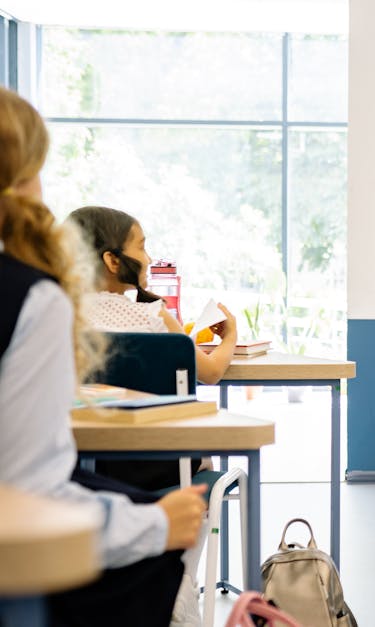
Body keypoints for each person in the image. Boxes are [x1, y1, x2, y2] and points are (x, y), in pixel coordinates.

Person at [0, 86, 207, 627]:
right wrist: (156, 525)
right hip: (34, 544)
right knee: (177, 514)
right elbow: (27, 493)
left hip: (100, 461)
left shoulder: (63, 304)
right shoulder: (34, 300)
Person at [66, 205, 238, 386]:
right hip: (153, 415)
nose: (149, 259)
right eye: (142, 248)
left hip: (81, 414)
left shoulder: (62, 317)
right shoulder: (154, 317)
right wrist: (230, 335)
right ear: (113, 261)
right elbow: (211, 373)